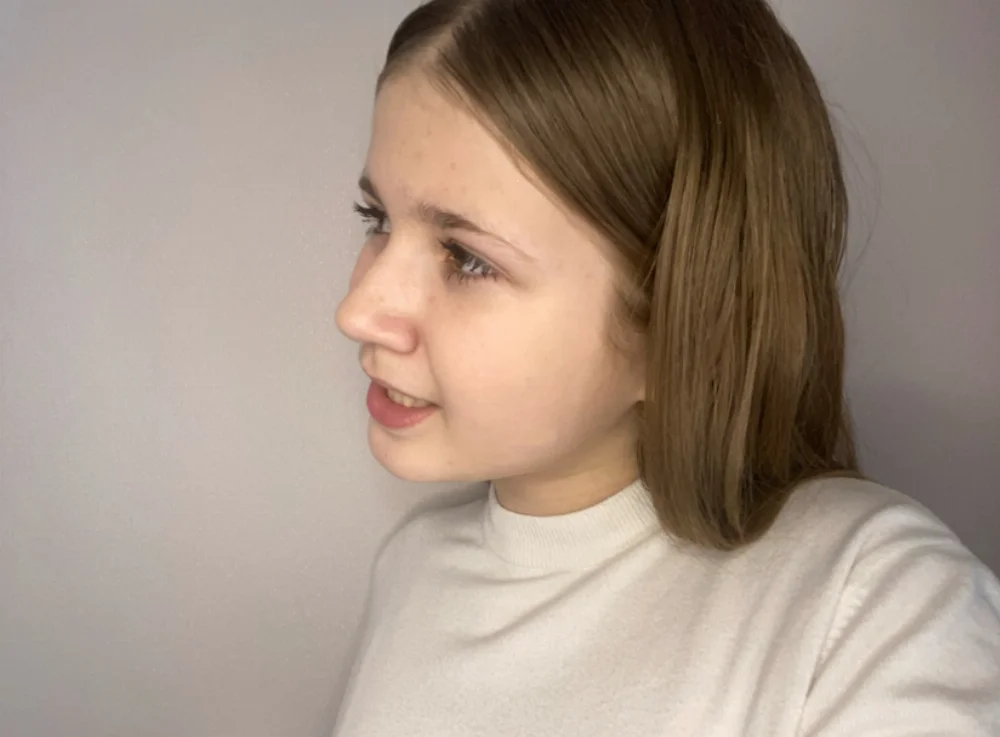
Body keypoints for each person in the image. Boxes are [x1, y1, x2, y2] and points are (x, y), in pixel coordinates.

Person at [332, 0, 1000, 734]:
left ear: (683, 319)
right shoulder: (412, 568)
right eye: (378, 220)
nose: (358, 310)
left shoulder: (877, 611)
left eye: (466, 258)